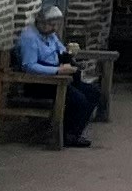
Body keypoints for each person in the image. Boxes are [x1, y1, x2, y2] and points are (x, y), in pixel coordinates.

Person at [16, 11, 108, 146]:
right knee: (78, 100)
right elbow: (29, 66)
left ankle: (74, 133)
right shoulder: (30, 38)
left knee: (93, 92)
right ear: (41, 23)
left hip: (59, 78)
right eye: (51, 25)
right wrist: (57, 70)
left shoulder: (50, 35)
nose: (54, 28)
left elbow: (60, 49)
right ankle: (65, 135)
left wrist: (70, 56)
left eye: (56, 25)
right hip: (41, 82)